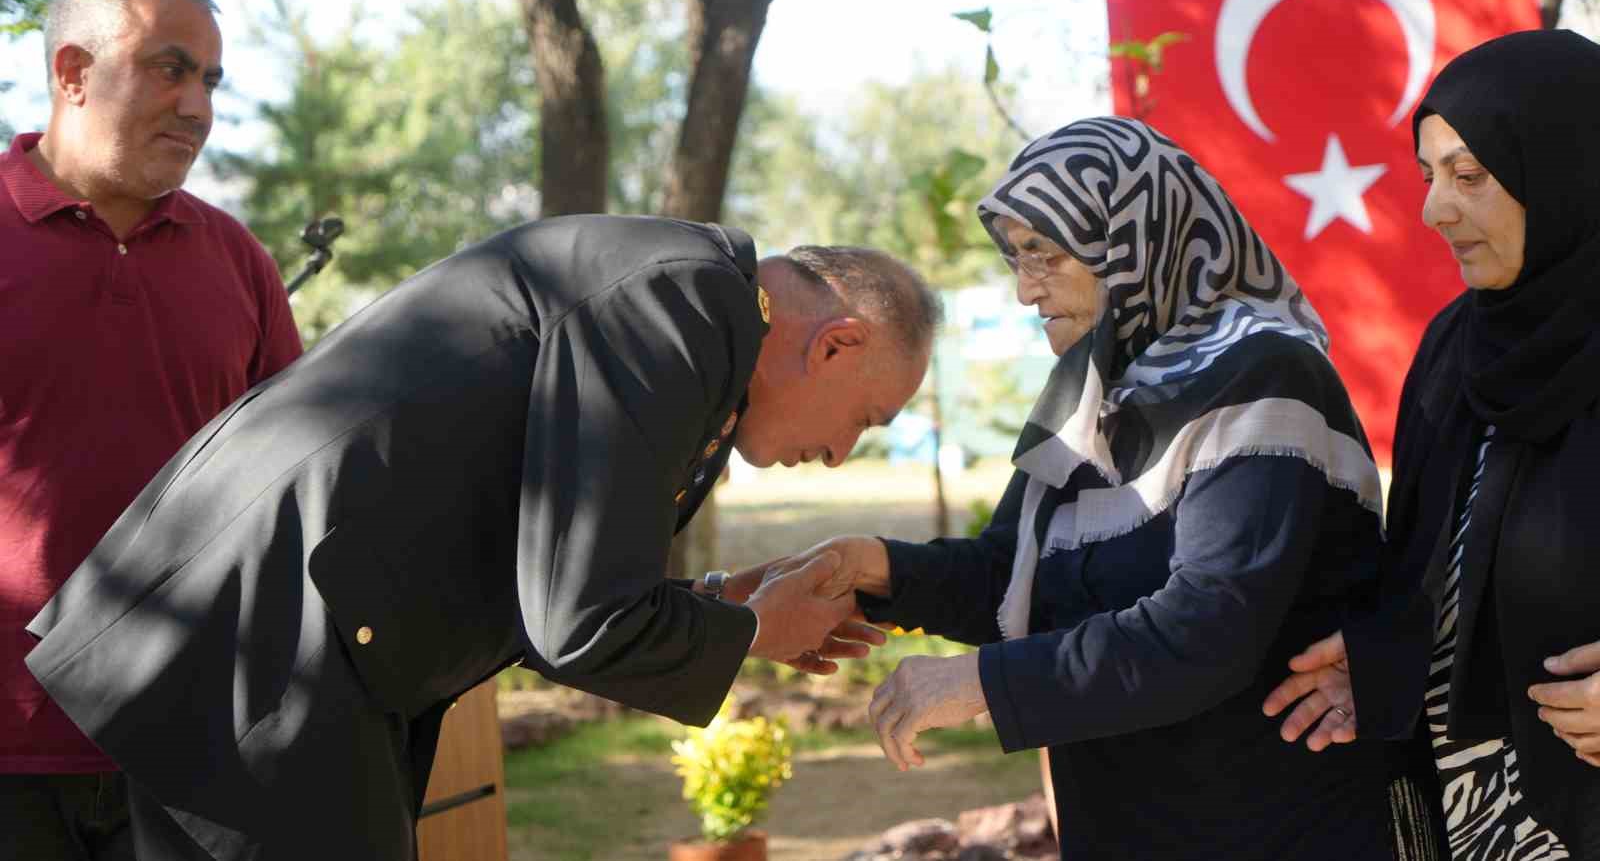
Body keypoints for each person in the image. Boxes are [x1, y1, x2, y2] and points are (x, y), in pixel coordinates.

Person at [25, 220, 936, 860]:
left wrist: (719, 605)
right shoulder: (685, 304)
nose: (841, 454)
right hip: (262, 643)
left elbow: (551, 579)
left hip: (271, 636)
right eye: (867, 417)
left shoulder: (687, 297)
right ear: (836, 344)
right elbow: (578, 621)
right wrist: (754, 633)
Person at [758, 117, 1393, 860]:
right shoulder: (1091, 386)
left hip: (1272, 822)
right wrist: (877, 569)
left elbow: (1206, 628)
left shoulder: (1263, 374)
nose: (1027, 289)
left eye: (1046, 255)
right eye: (1016, 258)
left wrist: (985, 684)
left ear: (1133, 240)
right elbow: (1016, 577)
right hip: (1131, 821)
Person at [1264, 29, 1600, 859]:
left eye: (1470, 176)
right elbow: (1436, 561)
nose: (1434, 209)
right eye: (1429, 177)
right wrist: (1383, 661)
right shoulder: (1458, 346)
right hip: (1476, 812)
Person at [0, 0, 302, 861]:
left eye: (209, 79)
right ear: (72, 72)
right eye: (169, 69)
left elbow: (293, 480)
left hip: (190, 741)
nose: (198, 106)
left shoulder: (239, 261)